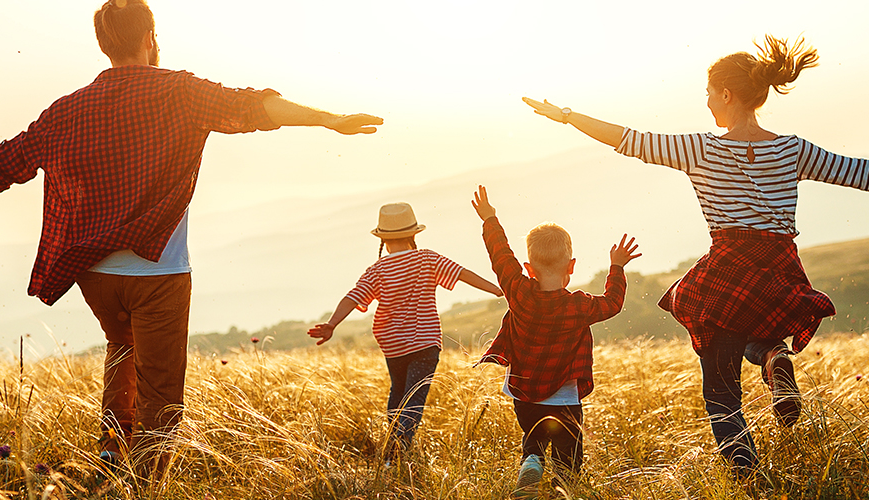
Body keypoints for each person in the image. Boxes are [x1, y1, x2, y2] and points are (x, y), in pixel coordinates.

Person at [0, 0, 382, 478]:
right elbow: (254, 106)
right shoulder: (180, 92)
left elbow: (3, 164)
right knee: (161, 393)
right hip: (159, 275)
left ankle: (110, 458)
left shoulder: (66, 111)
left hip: (94, 275)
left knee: (120, 349)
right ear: (150, 38)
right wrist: (329, 119)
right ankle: (145, 483)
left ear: (103, 44)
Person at [522, 35, 869, 475]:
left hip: (727, 267)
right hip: (779, 268)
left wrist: (568, 117)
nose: (706, 103)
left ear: (726, 93)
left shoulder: (701, 148)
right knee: (758, 330)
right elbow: (862, 173)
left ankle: (748, 478)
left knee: (722, 398)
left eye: (709, 93)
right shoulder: (792, 150)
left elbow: (630, 140)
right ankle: (771, 357)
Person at [471, 185, 640, 493]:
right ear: (572, 266)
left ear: (528, 268)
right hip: (564, 398)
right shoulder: (580, 305)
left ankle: (532, 460)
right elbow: (613, 302)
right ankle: (563, 488)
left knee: (533, 437)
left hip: (524, 394)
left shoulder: (518, 291)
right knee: (568, 454)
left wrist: (490, 219)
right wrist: (616, 267)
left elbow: (500, 255)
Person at [307, 202, 503, 464]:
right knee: (414, 399)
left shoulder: (376, 270)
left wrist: (332, 324)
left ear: (384, 240)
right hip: (425, 343)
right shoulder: (427, 258)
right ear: (413, 234)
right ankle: (396, 453)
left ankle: (393, 448)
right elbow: (462, 274)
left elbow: (352, 298)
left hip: (393, 345)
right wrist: (496, 289)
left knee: (398, 394)